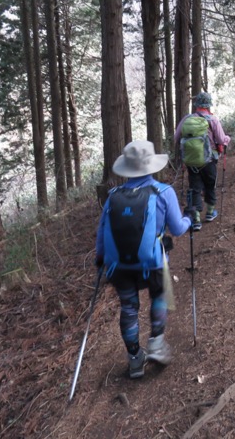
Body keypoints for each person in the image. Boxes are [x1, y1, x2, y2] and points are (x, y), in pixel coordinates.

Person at [95, 140, 193, 379]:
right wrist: (190, 218)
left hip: (119, 266)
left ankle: (135, 359)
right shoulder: (163, 192)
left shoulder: (113, 196)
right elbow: (178, 229)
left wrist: (101, 260)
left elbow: (101, 232)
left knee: (128, 308)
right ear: (151, 166)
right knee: (159, 296)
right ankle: (157, 344)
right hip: (152, 263)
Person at [174, 92, 231, 231]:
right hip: (209, 160)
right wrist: (227, 139)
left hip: (192, 162)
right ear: (208, 105)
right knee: (210, 184)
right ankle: (210, 213)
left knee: (195, 188)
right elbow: (222, 139)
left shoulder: (187, 119)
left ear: (197, 105)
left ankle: (196, 219)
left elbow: (176, 137)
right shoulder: (212, 120)